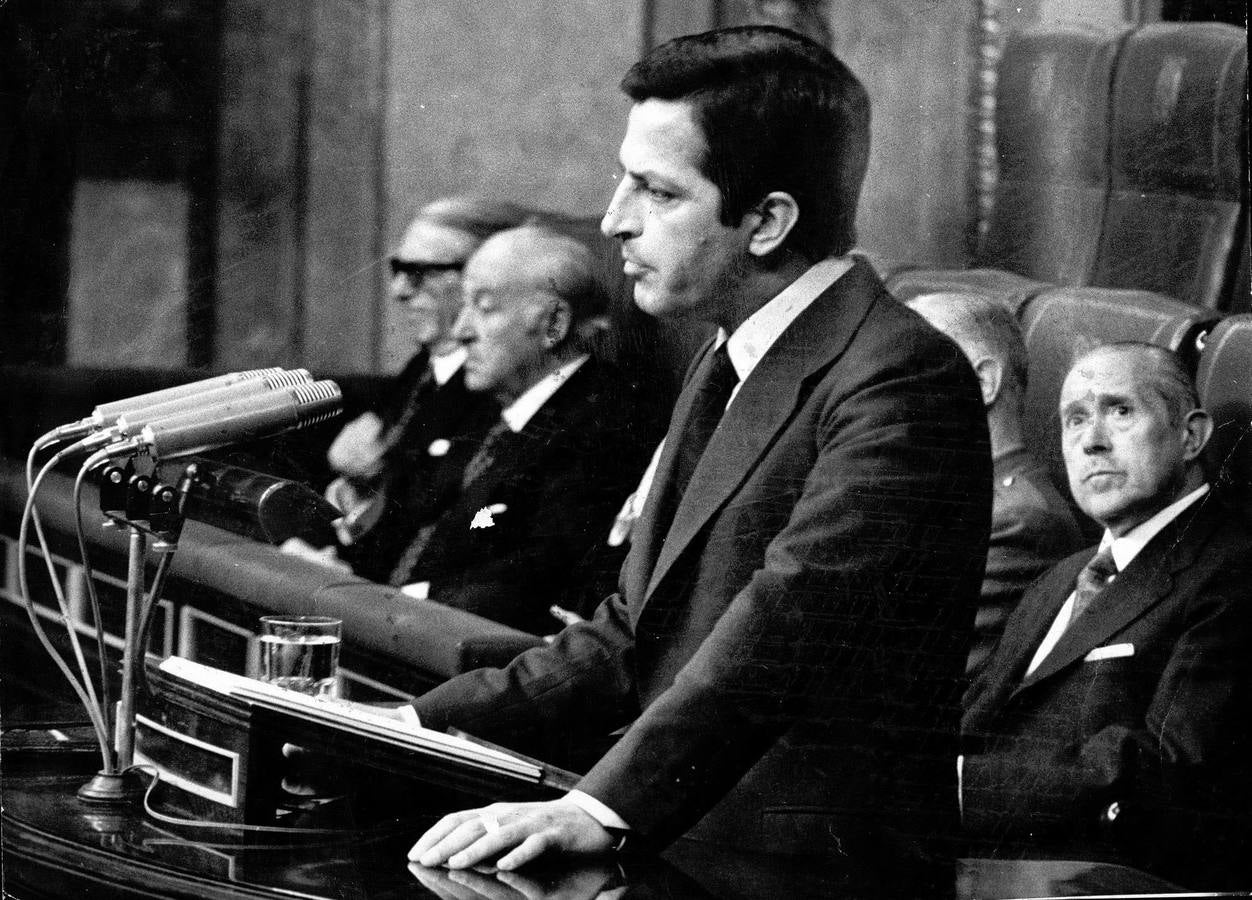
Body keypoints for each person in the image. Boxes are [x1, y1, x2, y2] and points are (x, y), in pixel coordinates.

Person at [405, 26, 992, 892]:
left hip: (806, 877)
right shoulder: (726, 357)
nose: (615, 220)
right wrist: (411, 723)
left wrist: (594, 811)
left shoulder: (901, 378)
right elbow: (631, 633)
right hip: (689, 849)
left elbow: (781, 636)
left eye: (655, 192)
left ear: (766, 222)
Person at [960, 342, 1252, 889]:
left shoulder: (1232, 570)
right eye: (1075, 419)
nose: (1092, 441)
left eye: (1120, 411)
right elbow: (979, 718)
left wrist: (956, 787)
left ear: (1191, 436)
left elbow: (1164, 772)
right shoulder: (1061, 577)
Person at [384, 224, 655, 634]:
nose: (461, 332)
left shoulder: (606, 425)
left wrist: (396, 603)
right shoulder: (491, 403)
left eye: (485, 308)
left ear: (553, 324)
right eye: (463, 308)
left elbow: (543, 572)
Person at [324, 197, 529, 575]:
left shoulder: (499, 389)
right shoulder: (426, 365)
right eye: (398, 269)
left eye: (420, 273)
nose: (399, 291)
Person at [908, 292, 1083, 678]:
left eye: (906, 371)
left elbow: (919, 677)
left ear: (983, 382)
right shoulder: (950, 495)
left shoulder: (1019, 521)